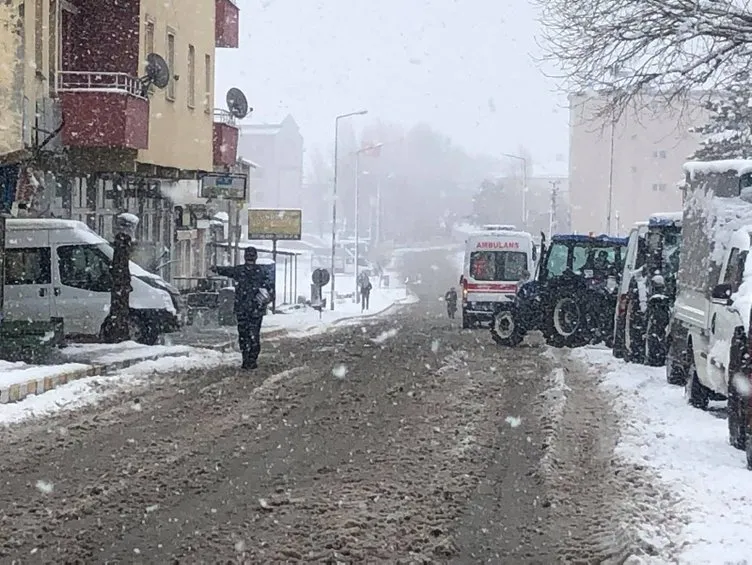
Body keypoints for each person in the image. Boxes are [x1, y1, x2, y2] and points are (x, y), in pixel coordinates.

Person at [210, 247, 274, 370]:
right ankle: (252, 359)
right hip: (256, 309)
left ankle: (246, 358)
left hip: (242, 308)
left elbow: (227, 271)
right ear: (256, 257)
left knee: (243, 334)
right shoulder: (262, 271)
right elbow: (269, 288)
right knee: (254, 334)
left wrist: (216, 269)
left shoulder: (239, 270)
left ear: (245, 257)